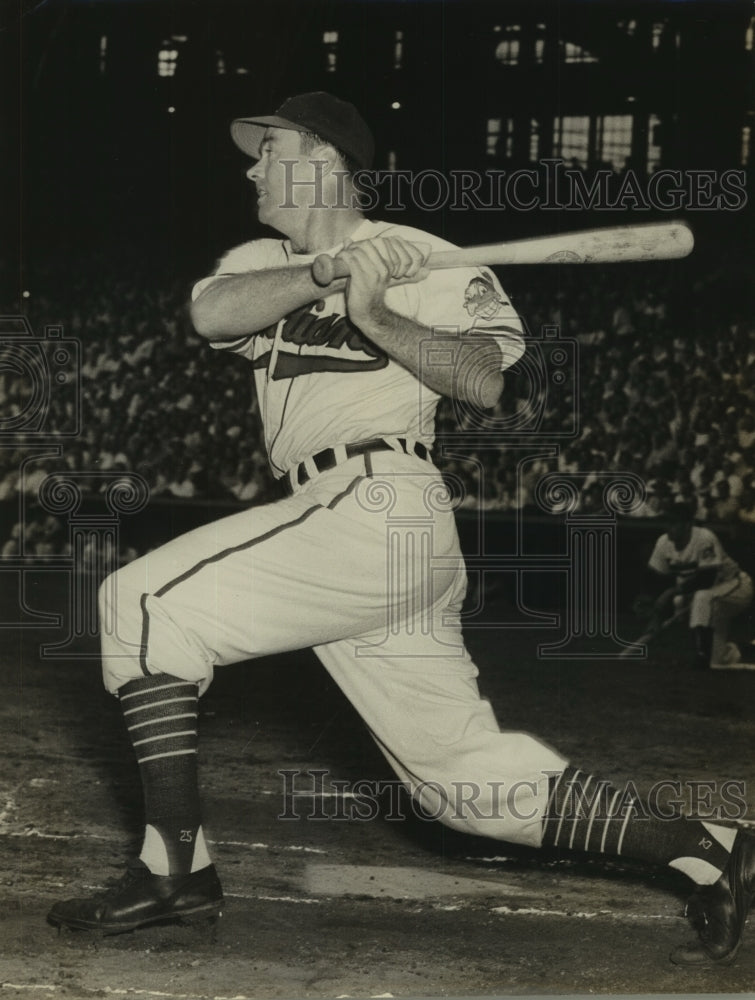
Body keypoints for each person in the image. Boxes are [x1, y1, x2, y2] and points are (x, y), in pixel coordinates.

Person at [48, 91, 755, 968]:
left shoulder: (434, 262)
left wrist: (378, 310)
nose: (252, 167)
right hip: (344, 531)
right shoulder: (260, 261)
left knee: (141, 601)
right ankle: (709, 847)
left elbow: (485, 384)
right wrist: (326, 275)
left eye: (270, 150)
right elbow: (210, 314)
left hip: (377, 499)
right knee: (461, 787)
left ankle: (175, 869)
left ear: (323, 159)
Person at [647, 501, 753, 670]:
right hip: (711, 595)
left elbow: (706, 579)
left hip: (736, 587)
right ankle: (733, 650)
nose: (669, 528)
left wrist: (672, 592)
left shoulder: (704, 538)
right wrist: (656, 615)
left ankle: (701, 654)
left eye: (674, 523)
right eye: (667, 522)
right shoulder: (663, 543)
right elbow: (657, 579)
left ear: (688, 524)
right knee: (716, 662)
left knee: (701, 597)